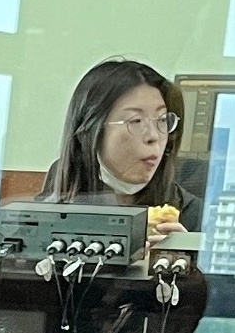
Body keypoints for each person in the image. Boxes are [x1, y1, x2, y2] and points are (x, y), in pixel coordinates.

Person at [39, 59, 196, 232]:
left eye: (162, 120)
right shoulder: (53, 207)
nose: (153, 136)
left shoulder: (192, 215)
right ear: (89, 132)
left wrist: (186, 247)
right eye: (136, 121)